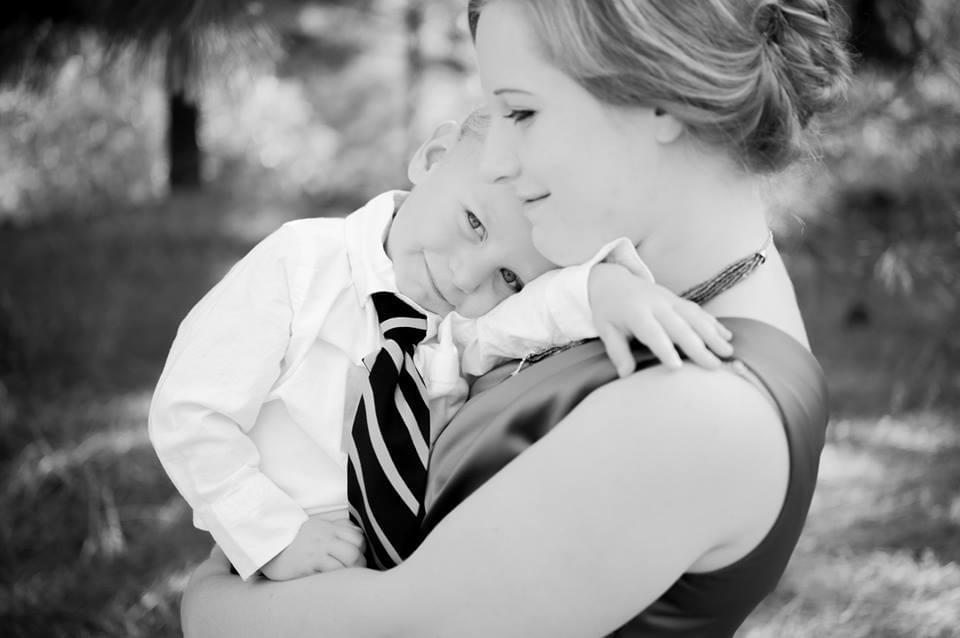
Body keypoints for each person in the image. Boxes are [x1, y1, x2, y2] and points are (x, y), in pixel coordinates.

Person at [181, 0, 850, 635]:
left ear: (659, 97)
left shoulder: (697, 412)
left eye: (521, 111)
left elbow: (402, 631)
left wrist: (208, 604)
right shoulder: (611, 296)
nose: (496, 161)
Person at [150, 110, 732, 581]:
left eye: (509, 277)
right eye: (474, 223)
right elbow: (190, 413)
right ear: (432, 159)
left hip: (407, 576)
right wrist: (272, 534)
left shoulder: (464, 325)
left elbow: (541, 313)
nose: (466, 277)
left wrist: (603, 289)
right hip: (288, 552)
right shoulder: (299, 263)